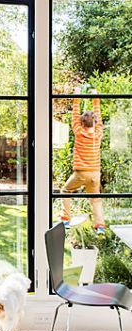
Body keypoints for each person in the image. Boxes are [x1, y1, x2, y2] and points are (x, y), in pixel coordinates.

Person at [61, 88, 105, 234]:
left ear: (81, 123)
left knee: (65, 191)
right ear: (95, 123)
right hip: (95, 175)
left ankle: (66, 219)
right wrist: (95, 97)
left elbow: (74, 114)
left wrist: (77, 95)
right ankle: (100, 226)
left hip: (80, 173)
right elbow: (97, 115)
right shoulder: (98, 133)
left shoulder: (79, 132)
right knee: (95, 200)